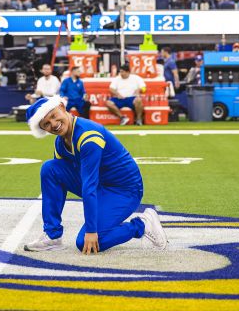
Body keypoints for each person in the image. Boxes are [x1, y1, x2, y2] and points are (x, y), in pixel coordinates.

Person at [22, 97, 167, 253]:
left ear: (62, 107)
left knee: (85, 242)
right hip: (101, 184)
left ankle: (142, 224)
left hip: (124, 190)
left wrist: (91, 231)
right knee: (50, 168)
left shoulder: (88, 135)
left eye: (53, 116)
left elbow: (88, 185)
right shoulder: (60, 142)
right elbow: (61, 179)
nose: (53, 124)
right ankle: (52, 235)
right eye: (46, 124)